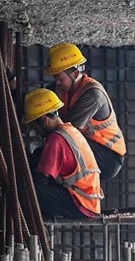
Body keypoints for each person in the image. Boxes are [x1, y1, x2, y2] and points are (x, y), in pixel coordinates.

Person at [45, 43, 126, 180]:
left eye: (59, 77)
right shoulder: (62, 87)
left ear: (75, 73)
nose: (57, 82)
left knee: (60, 142)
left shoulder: (93, 94)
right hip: (89, 145)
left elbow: (69, 131)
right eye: (55, 78)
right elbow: (41, 102)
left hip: (107, 157)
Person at [23, 88, 104, 219]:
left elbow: (42, 178)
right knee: (39, 154)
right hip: (88, 200)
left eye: (34, 126)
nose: (36, 131)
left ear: (44, 120)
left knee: (26, 192)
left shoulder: (56, 139)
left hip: (80, 202)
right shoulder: (70, 130)